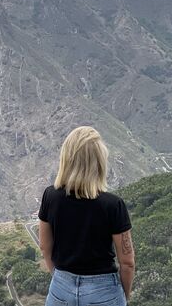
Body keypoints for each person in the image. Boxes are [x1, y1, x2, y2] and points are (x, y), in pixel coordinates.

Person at [38, 126, 135, 306]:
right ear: (99, 161)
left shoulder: (50, 197)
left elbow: (44, 247)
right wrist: (121, 297)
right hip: (104, 291)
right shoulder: (113, 205)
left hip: (61, 288)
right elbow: (127, 262)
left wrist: (61, 278)